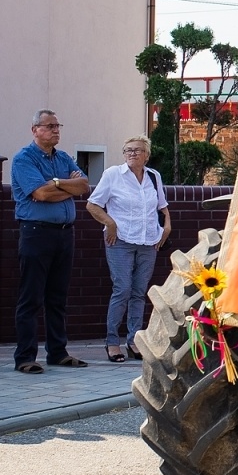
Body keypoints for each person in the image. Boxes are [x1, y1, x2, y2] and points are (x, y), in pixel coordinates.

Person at [9, 110, 90, 373]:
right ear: (35, 129)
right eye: (50, 126)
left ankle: (57, 351)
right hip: (36, 232)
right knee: (31, 296)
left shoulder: (63, 157)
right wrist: (65, 188)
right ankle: (25, 357)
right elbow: (41, 194)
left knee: (57, 296)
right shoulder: (24, 159)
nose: (56, 130)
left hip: (65, 233)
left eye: (58, 125)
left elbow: (84, 186)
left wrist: (56, 183)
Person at [85, 136, 170, 361]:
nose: (132, 154)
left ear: (147, 155)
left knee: (139, 292)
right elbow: (92, 204)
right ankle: (112, 341)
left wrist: (167, 226)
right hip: (120, 240)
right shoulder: (113, 175)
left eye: (138, 150)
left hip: (148, 241)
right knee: (122, 289)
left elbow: (162, 206)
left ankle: (134, 340)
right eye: (128, 150)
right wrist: (110, 223)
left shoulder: (154, 176)